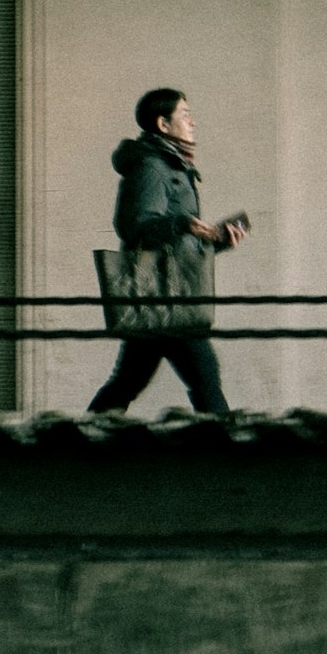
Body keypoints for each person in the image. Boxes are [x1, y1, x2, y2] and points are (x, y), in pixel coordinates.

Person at [89, 88, 244, 416]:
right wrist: (183, 223)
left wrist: (218, 240)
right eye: (184, 115)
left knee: (127, 383)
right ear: (163, 123)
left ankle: (73, 449)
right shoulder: (152, 168)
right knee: (204, 378)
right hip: (167, 296)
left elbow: (179, 241)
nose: (192, 122)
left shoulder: (174, 167)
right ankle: (228, 457)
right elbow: (134, 226)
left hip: (165, 295)